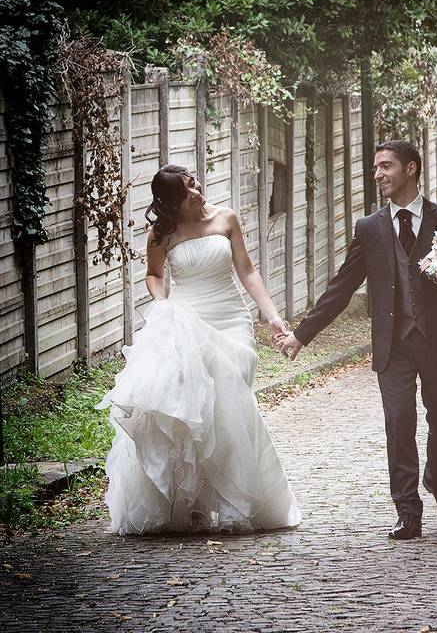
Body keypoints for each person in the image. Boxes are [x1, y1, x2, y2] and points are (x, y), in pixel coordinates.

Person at [275, 140, 437, 540]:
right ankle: (407, 510)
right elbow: (342, 285)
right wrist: (302, 335)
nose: (378, 175)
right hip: (393, 343)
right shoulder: (369, 228)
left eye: (385, 166)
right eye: (375, 168)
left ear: (411, 169)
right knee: (398, 422)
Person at [97, 164, 301, 535]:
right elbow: (155, 275)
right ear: (171, 203)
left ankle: (234, 499)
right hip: (187, 319)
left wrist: (271, 317)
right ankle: (194, 505)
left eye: (195, 184)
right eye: (187, 191)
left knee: (232, 402)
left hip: (230, 318)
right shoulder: (161, 233)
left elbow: (248, 271)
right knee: (196, 408)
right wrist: (162, 305)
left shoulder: (226, 218)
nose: (197, 192)